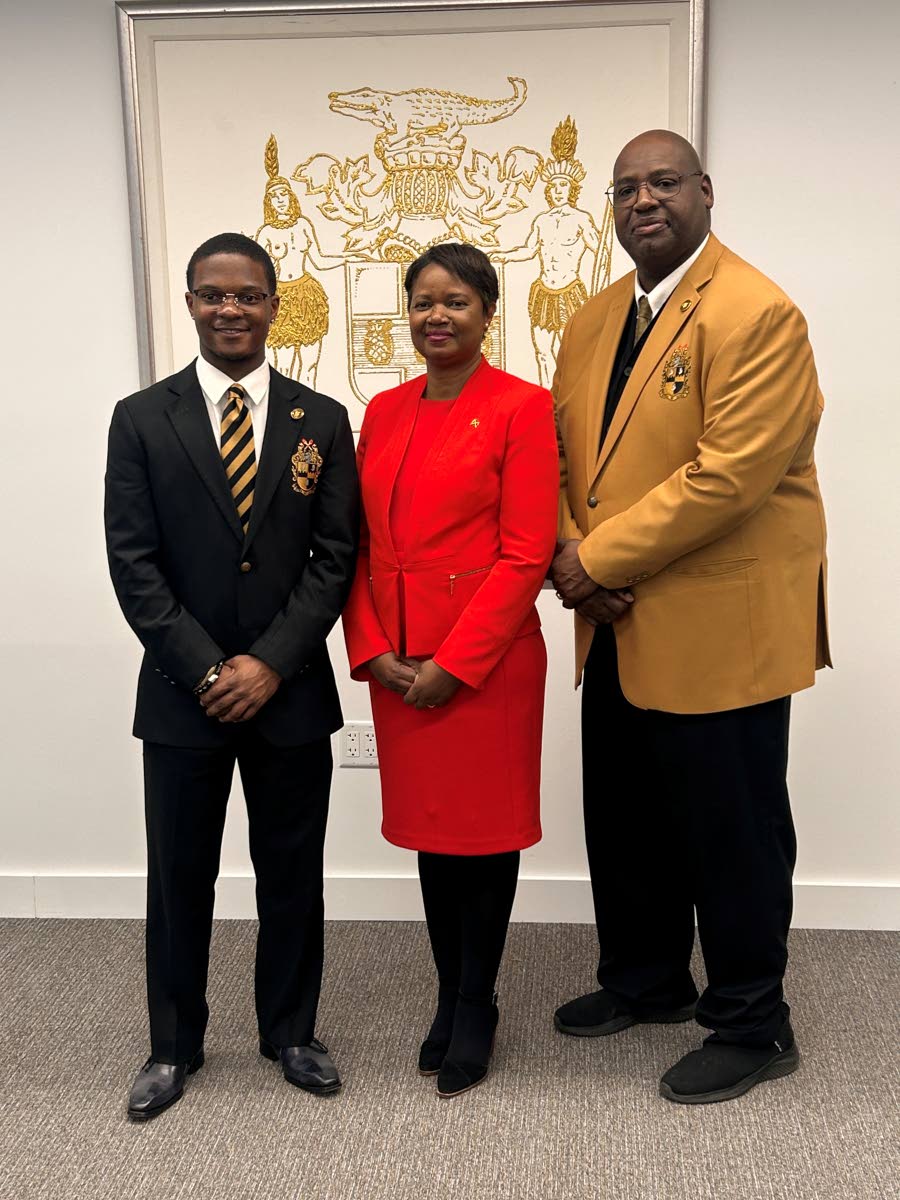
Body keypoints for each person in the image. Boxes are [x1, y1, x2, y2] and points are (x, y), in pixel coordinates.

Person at [551, 130, 830, 1105]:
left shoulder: (758, 312)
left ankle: (754, 1025)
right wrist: (571, 555)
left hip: (721, 627)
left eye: (663, 181)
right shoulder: (590, 323)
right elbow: (562, 461)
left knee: (732, 833)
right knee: (625, 820)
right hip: (615, 621)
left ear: (705, 192)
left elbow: (731, 478)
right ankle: (646, 980)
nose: (643, 200)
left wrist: (595, 559)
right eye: (625, 187)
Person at [105, 231, 358, 1120]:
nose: (230, 310)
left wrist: (270, 663)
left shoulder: (319, 419)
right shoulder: (141, 418)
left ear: (274, 305)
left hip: (289, 694)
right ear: (190, 306)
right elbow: (134, 566)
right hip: (183, 697)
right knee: (180, 877)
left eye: (247, 295)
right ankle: (172, 1047)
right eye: (213, 295)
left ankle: (291, 1031)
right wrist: (214, 668)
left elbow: (335, 557)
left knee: (292, 870)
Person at [342, 243, 558, 1098]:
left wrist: (454, 665)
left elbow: (525, 552)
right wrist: (374, 654)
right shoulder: (385, 411)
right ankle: (446, 989)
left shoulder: (521, 407)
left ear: (487, 312)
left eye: (457, 301)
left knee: (484, 837)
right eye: (424, 301)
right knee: (433, 835)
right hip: (398, 666)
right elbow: (357, 547)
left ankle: (479, 1000)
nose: (438, 316)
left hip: (487, 665)